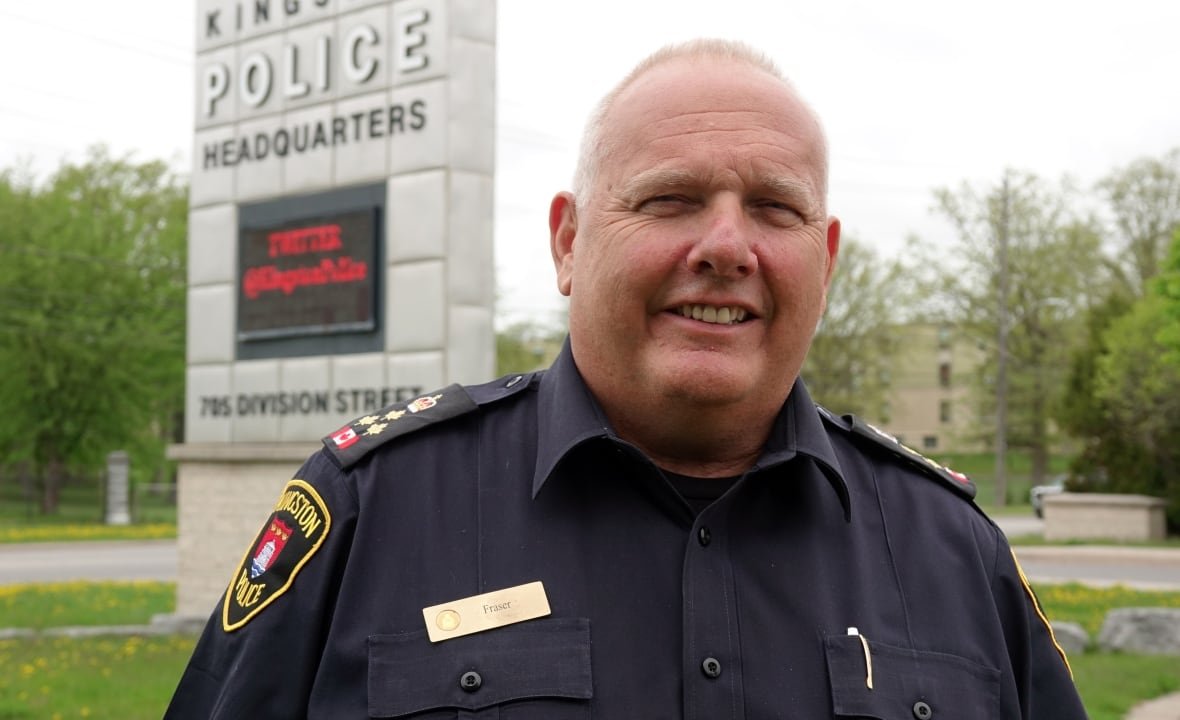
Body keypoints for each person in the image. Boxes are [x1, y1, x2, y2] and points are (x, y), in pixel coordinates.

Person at [166, 39, 1087, 718]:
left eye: (774, 207)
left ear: (827, 258)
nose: (727, 247)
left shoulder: (953, 550)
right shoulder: (370, 510)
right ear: (569, 241)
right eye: (670, 199)